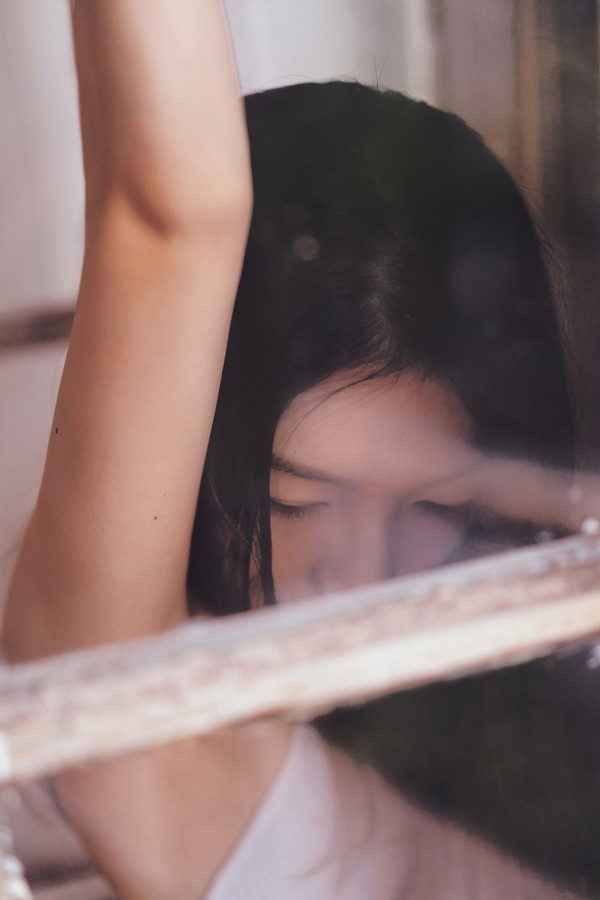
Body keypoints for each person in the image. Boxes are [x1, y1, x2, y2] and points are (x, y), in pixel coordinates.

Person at [1, 2, 583, 898]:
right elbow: (173, 216)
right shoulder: (146, 706)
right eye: (297, 504)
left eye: (440, 506)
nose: (363, 576)